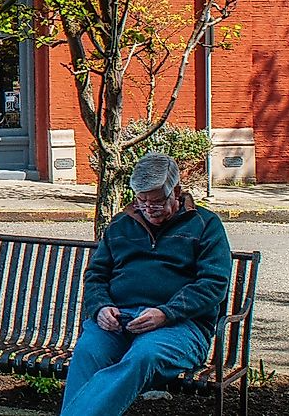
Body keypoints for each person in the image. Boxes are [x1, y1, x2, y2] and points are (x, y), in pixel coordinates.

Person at [60, 153, 232, 416]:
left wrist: (166, 313)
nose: (149, 208)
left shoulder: (205, 225)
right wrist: (101, 307)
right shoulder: (121, 223)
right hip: (119, 320)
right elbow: (96, 275)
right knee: (87, 352)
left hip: (181, 325)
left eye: (157, 201)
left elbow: (213, 283)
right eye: (142, 201)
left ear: (176, 191)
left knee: (143, 356)